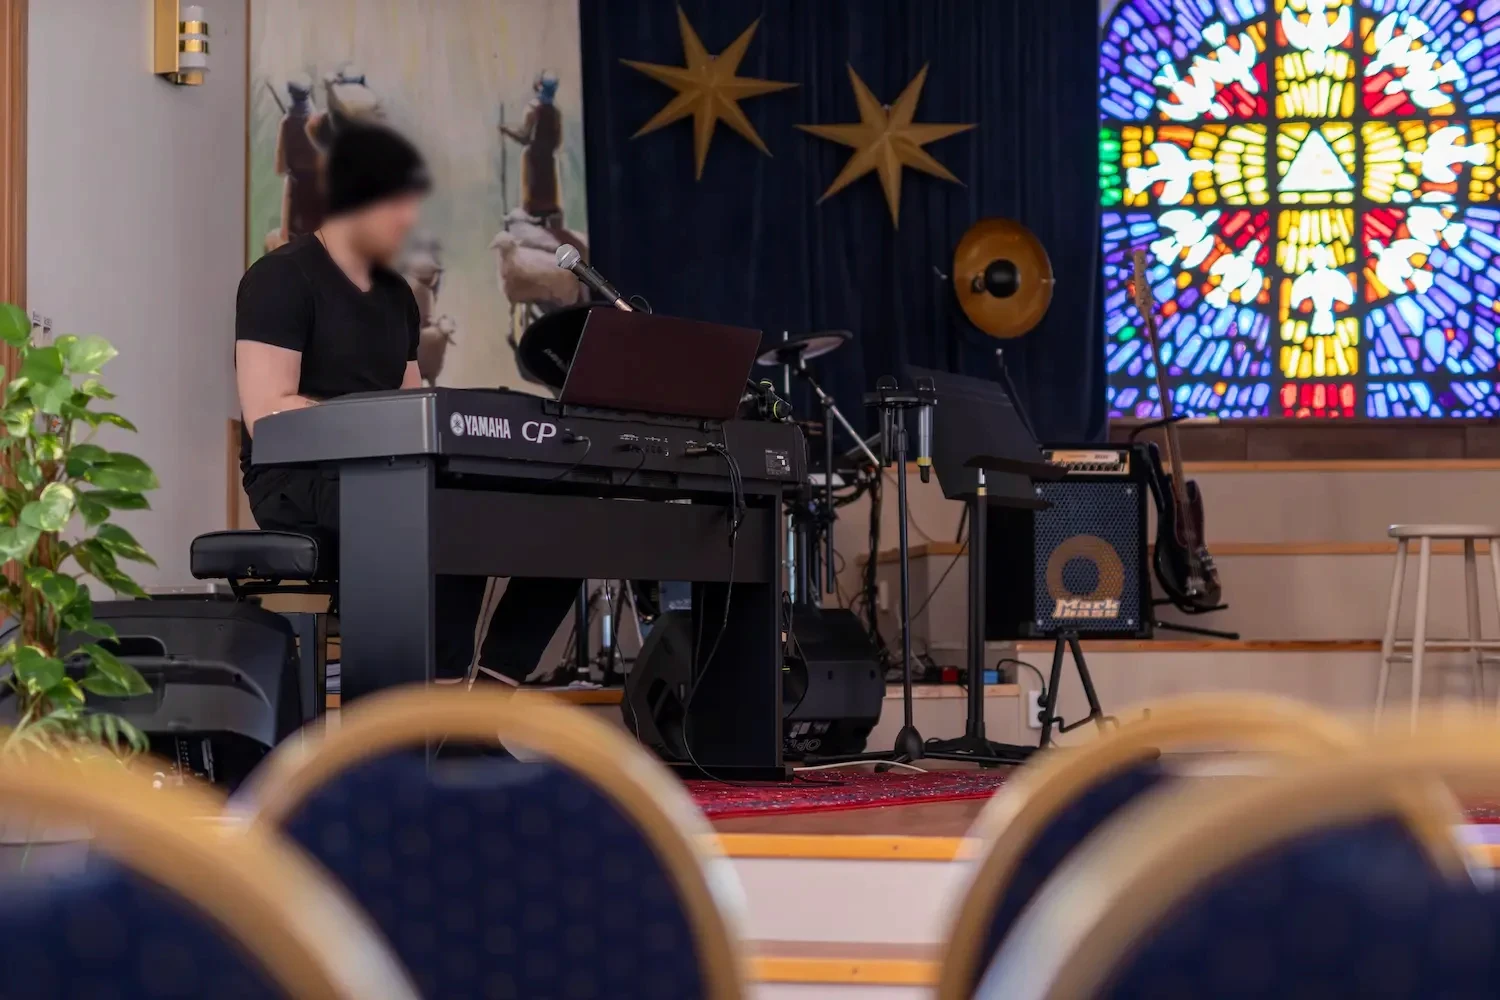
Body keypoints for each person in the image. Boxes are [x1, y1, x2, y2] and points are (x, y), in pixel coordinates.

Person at [235, 122, 578, 684]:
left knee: (565, 517)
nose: (409, 219)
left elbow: (412, 400)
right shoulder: (280, 279)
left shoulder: (397, 295)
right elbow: (267, 415)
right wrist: (384, 427)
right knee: (438, 509)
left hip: (388, 469)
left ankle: (491, 693)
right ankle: (427, 701)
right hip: (296, 478)